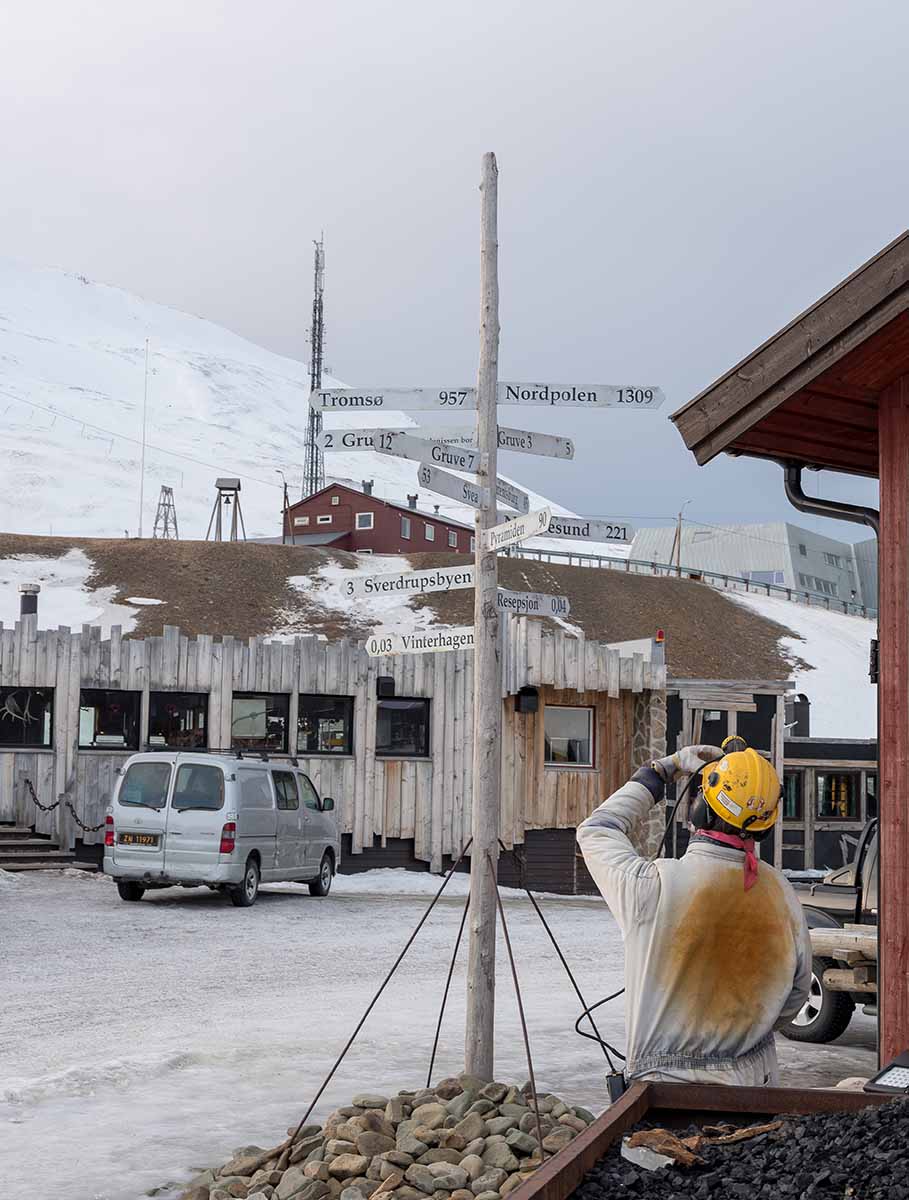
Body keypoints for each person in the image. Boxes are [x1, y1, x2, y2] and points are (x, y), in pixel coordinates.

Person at [577, 741, 812, 1086]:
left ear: (702, 810)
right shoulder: (782, 892)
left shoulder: (652, 885)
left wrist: (660, 772)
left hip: (664, 1090)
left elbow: (597, 830)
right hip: (755, 1087)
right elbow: (796, 994)